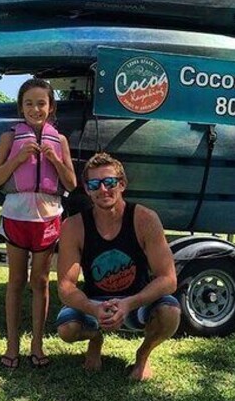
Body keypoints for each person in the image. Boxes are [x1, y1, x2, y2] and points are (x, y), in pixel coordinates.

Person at [55, 152, 181, 381]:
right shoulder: (73, 226)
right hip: (95, 303)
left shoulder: (145, 219)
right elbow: (65, 286)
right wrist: (94, 309)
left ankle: (143, 355)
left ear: (122, 184)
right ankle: (95, 338)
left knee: (170, 312)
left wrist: (129, 303)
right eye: (95, 184)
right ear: (87, 189)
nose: (103, 189)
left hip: (136, 302)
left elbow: (169, 279)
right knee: (67, 328)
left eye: (109, 182)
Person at [0, 78, 77, 369]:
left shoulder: (59, 140)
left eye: (41, 103)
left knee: (40, 282)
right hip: (16, 216)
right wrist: (18, 160)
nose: (35, 108)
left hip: (48, 216)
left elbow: (72, 184)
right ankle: (12, 346)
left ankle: (37, 344)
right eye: (29, 103)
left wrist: (55, 159)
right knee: (15, 281)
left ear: (50, 108)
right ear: (21, 107)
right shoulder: (10, 138)